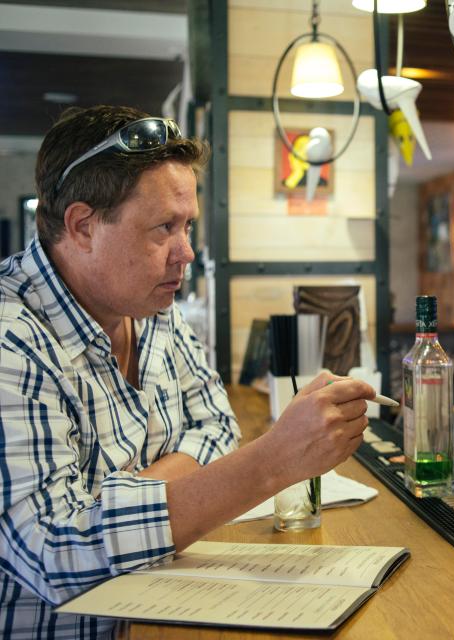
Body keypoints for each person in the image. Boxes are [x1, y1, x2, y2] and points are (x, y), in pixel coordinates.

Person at [0, 105, 375, 638]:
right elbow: (55, 554)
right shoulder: (11, 338)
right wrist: (271, 462)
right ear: (83, 226)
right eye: (164, 228)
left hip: (161, 603)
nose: (187, 253)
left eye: (188, 225)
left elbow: (219, 427)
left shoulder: (152, 306)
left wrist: (118, 503)